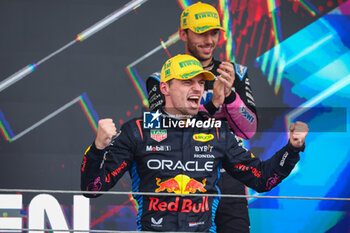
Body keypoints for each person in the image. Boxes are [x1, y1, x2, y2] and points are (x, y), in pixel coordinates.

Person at [81, 54, 308, 232]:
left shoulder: (218, 132)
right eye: (187, 81)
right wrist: (98, 148)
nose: (197, 88)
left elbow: (262, 179)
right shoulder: (137, 130)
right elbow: (93, 189)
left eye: (200, 82)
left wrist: (292, 149)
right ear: (165, 88)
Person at [146, 2, 257, 232]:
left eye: (214, 32)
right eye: (200, 33)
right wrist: (214, 103)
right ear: (182, 34)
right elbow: (161, 128)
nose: (209, 41)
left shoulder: (235, 73)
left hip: (229, 177)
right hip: (184, 178)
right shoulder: (162, 78)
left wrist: (231, 97)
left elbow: (249, 130)